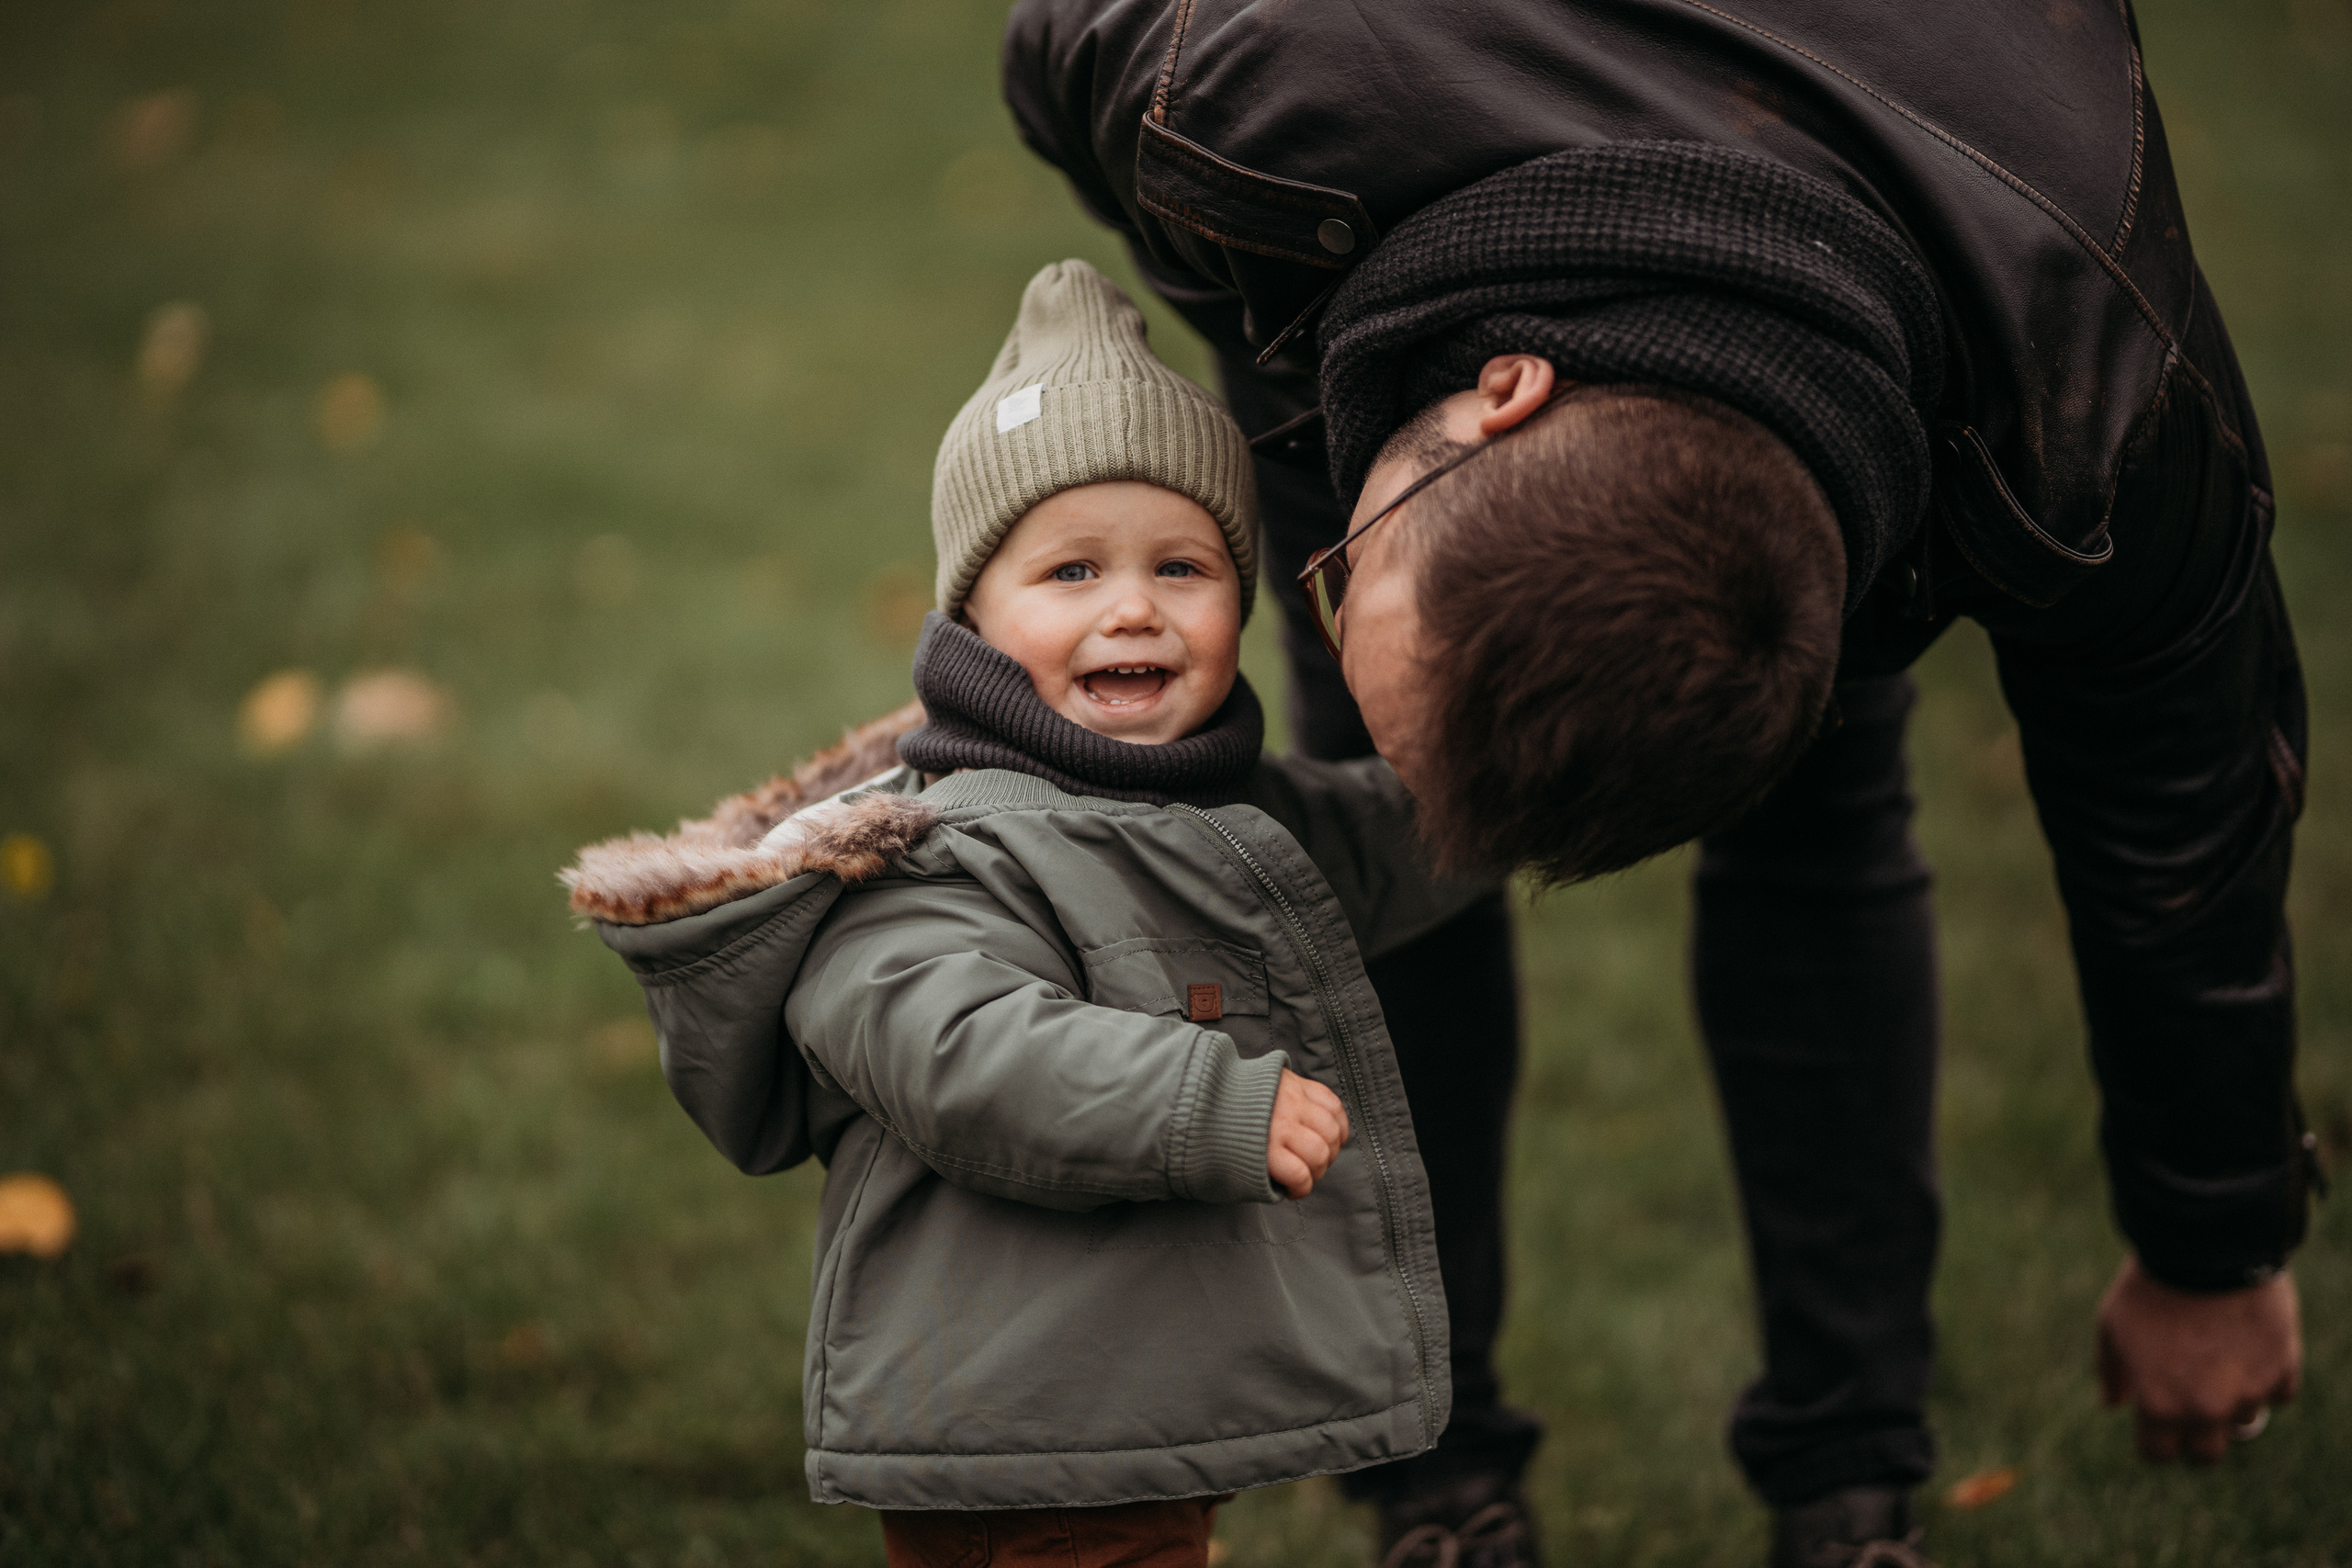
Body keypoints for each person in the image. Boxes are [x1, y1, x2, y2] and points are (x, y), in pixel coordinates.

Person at [1000, 4, 2321, 1565]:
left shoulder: (2101, 414)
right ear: (1497, 395)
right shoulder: (1228, 82)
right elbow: (1052, 59)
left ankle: (1849, 1490)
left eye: (1345, 577)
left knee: (1817, 830)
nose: (1316, 597)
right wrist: (1280, 312)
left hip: (1877, 297)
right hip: (1360, 234)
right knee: (1379, 828)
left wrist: (2214, 1247)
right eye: (1356, 581)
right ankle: (1438, 1484)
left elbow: (2179, 831)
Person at [564, 260, 1507, 1568]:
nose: (1133, 606)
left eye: (1183, 566)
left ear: (1243, 600)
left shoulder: (1234, 820)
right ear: (974, 616)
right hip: (1020, 1428)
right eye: (1070, 571)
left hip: (1110, 1408)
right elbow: (956, 1049)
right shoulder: (928, 844)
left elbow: (1404, 838)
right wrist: (1202, 1102)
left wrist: (1561, 768)